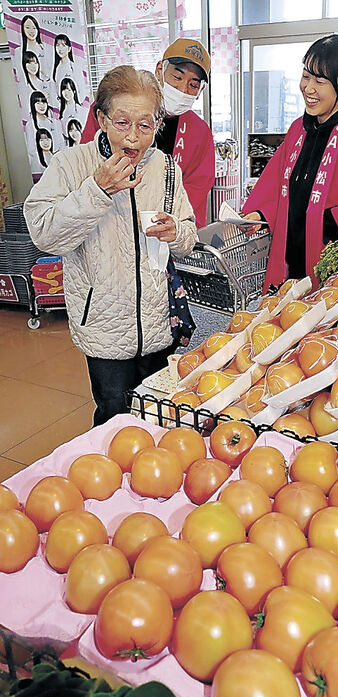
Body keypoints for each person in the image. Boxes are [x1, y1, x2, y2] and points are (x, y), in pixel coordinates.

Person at [24, 65, 197, 426]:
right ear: (102, 119)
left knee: (161, 419)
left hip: (158, 322)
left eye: (145, 125)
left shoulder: (166, 169)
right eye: (122, 123)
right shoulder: (72, 164)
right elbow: (43, 233)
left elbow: (188, 235)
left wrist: (175, 232)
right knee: (113, 421)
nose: (133, 137)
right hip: (103, 325)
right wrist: (96, 191)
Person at [242, 34, 338, 290]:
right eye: (306, 76)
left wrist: (321, 221)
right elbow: (276, 185)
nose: (308, 88)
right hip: (289, 264)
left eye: (320, 81)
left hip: (331, 270)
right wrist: (261, 213)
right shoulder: (298, 130)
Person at [81, 38, 215, 227]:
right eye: (177, 77)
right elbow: (87, 159)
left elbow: (197, 187)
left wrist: (169, 220)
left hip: (162, 227)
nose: (182, 89)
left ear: (201, 90)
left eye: (193, 85)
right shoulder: (111, 108)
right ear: (159, 70)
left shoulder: (199, 132)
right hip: (108, 217)